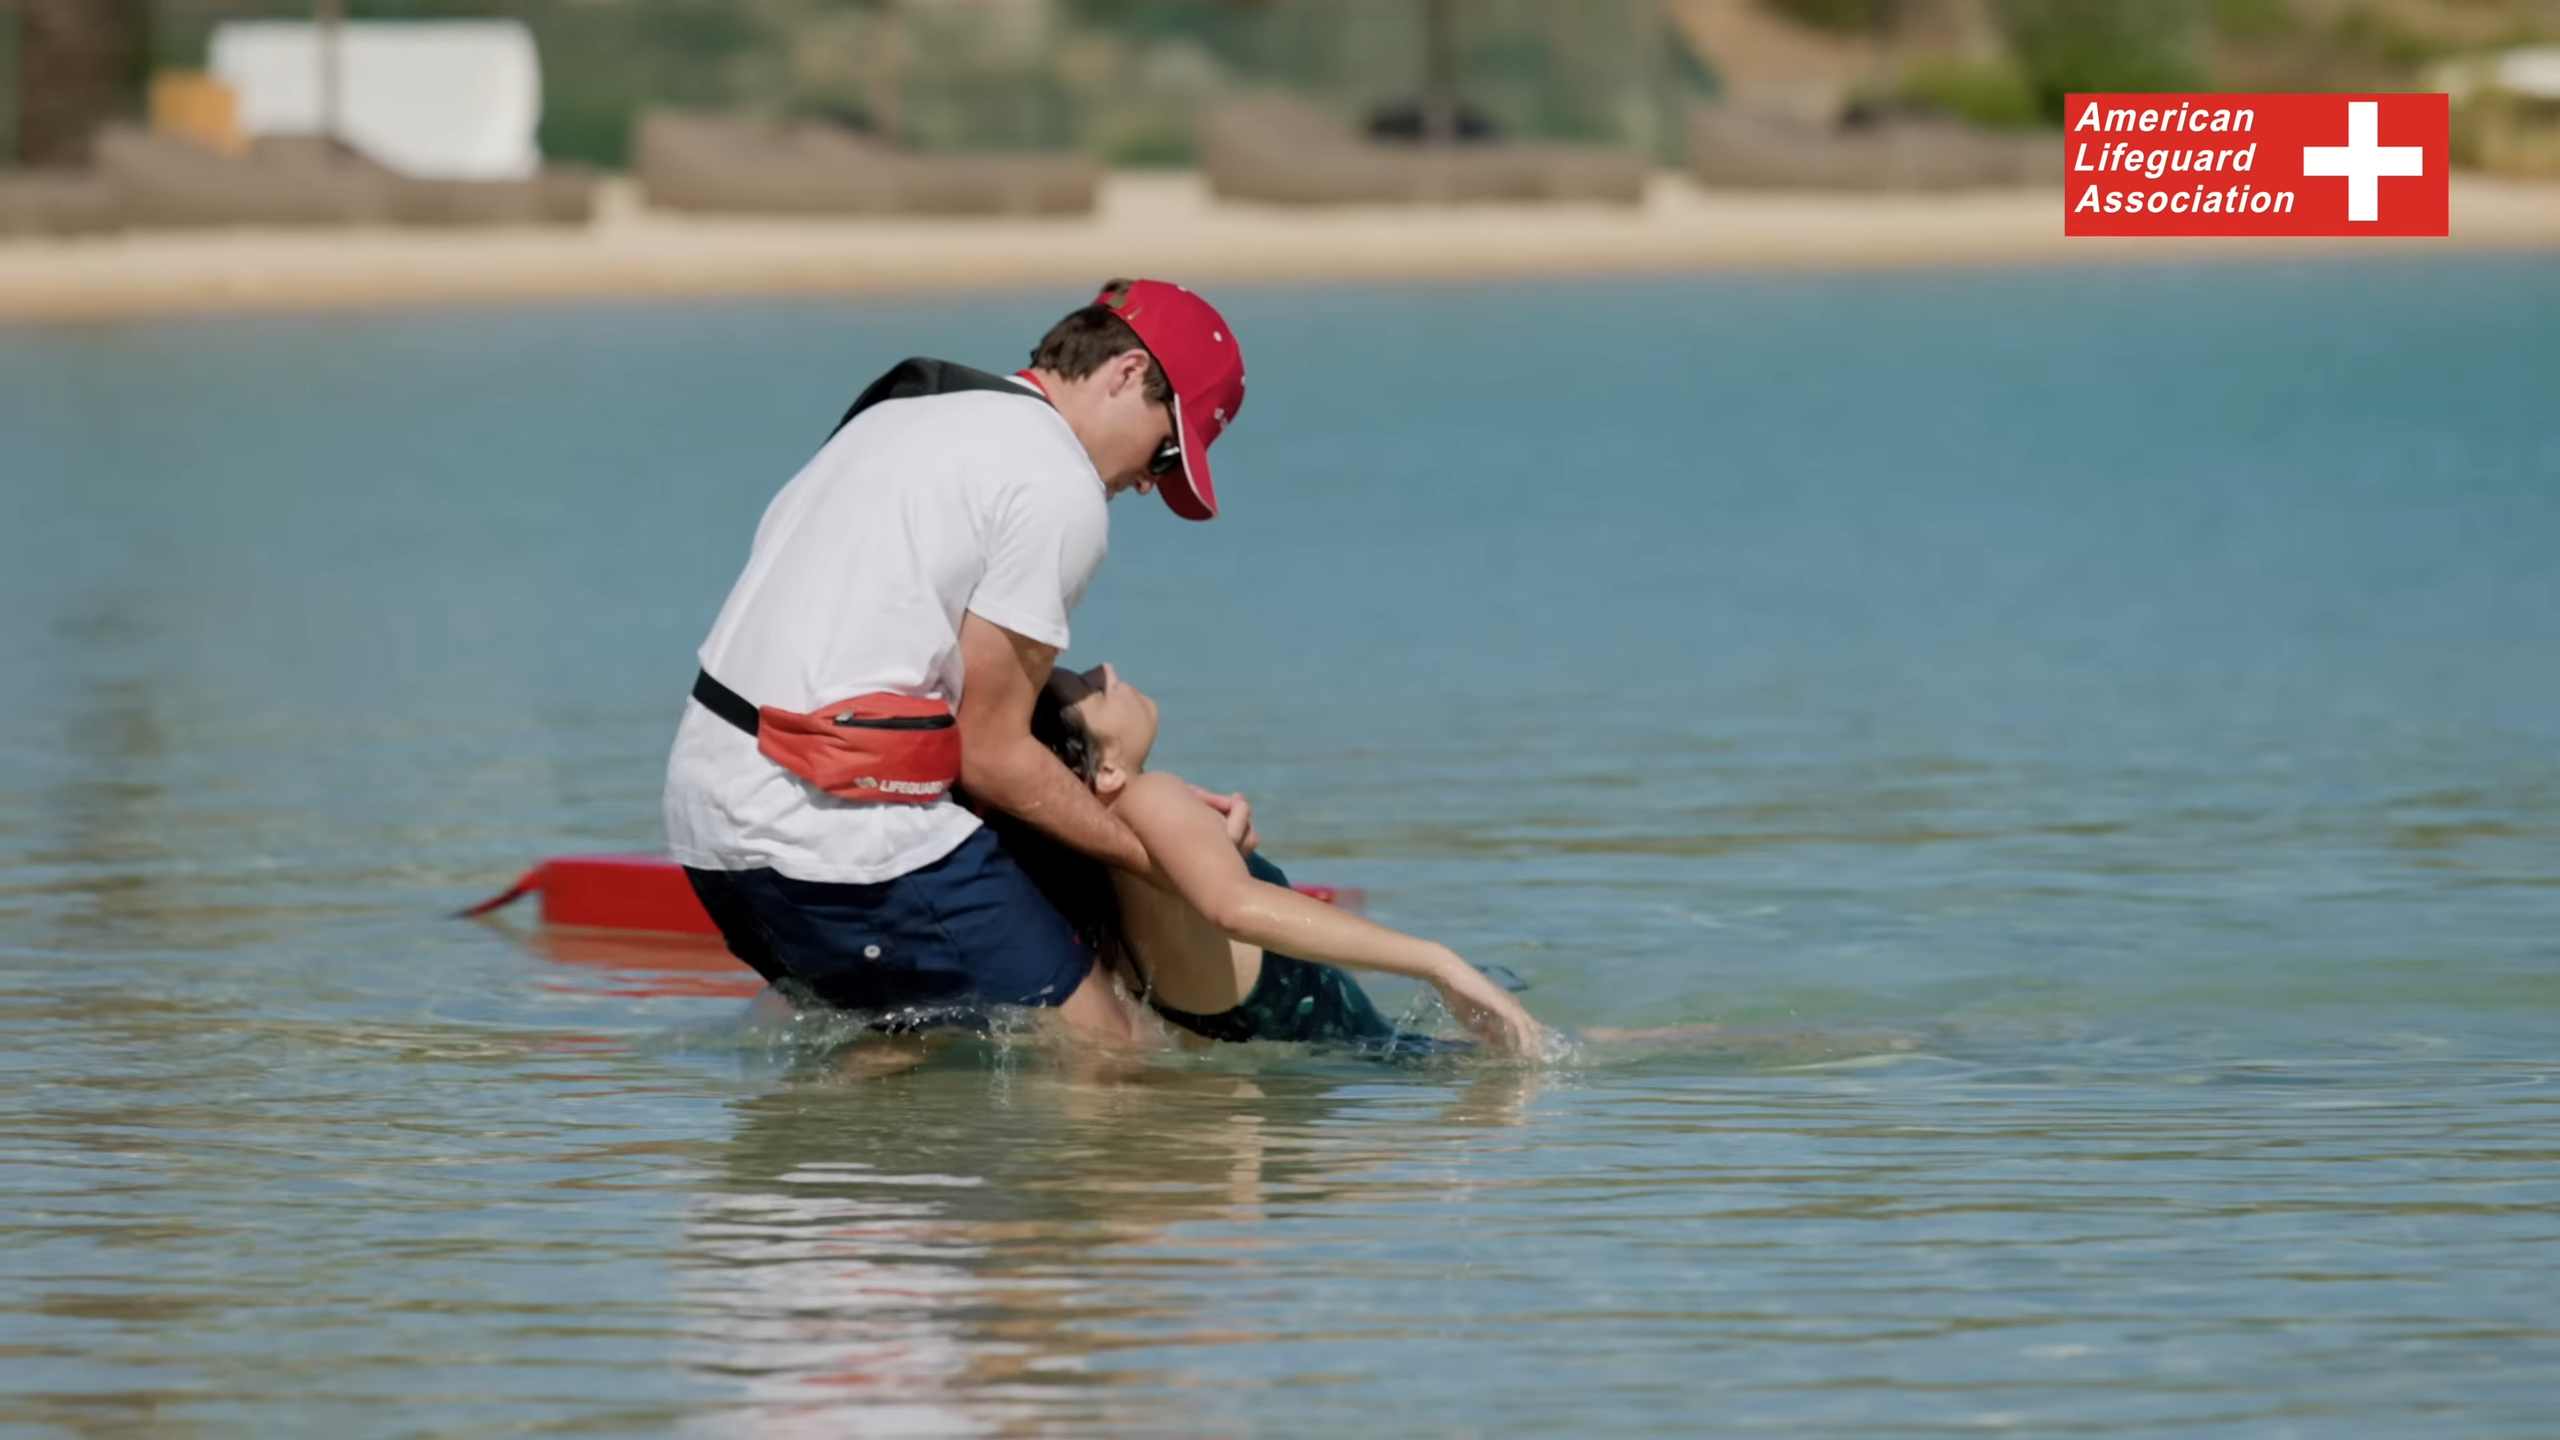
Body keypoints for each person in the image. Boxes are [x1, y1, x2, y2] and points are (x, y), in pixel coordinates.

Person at [664, 280, 1249, 1040]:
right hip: (827, 833)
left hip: (704, 810)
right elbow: (991, 753)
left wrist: (1142, 796)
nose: (1148, 482)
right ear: (1128, 372)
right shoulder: (1057, 483)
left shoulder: (909, 406)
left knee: (915, 1040)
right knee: (1113, 1050)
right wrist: (1171, 859)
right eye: (1167, 451)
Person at [994, 662, 1549, 1057]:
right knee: (1541, 1046)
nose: (1108, 670)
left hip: (1256, 1043)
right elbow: (1234, 908)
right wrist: (1439, 963)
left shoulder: (1080, 868)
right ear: (1106, 771)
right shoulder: (1153, 795)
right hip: (1335, 1035)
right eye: (1091, 686)